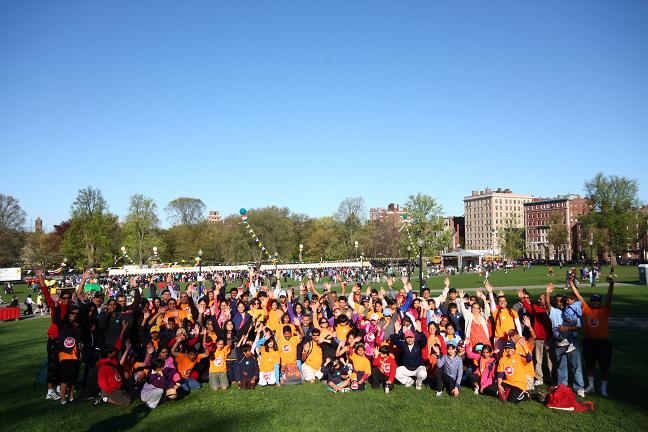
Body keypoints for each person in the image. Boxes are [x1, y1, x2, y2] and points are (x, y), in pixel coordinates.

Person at [571, 276, 614, 396]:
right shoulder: (586, 309)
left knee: (604, 367)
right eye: (593, 300)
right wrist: (571, 283)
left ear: (600, 302)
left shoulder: (604, 310)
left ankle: (604, 388)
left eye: (597, 300)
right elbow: (578, 296)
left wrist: (611, 285)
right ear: (590, 301)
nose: (595, 302)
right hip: (589, 342)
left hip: (603, 343)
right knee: (590, 365)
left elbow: (609, 298)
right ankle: (591, 386)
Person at [545, 283, 586, 397]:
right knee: (560, 366)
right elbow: (547, 304)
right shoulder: (554, 312)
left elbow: (579, 326)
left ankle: (579, 387)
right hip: (559, 342)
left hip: (572, 341)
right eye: (558, 301)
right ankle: (562, 386)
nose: (561, 303)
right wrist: (548, 292)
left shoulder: (571, 312)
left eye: (562, 301)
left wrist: (567, 328)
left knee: (576, 365)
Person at [392, 326, 427, 390]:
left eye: (411, 337)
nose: (409, 339)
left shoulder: (418, 344)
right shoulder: (403, 344)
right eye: (407, 338)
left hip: (418, 368)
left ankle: (418, 383)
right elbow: (395, 341)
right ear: (405, 339)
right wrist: (396, 333)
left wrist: (420, 332)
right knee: (395, 373)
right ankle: (409, 381)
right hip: (407, 368)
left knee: (423, 374)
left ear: (414, 338)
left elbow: (424, 341)